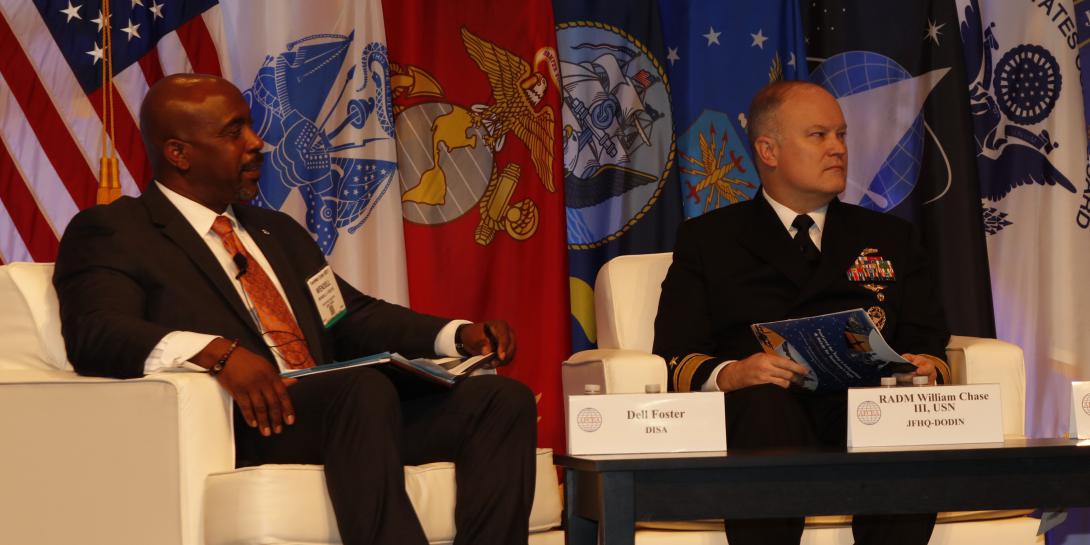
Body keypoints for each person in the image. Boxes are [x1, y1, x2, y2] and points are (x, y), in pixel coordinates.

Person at [53, 74, 536, 545]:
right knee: (361, 389)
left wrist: (455, 334)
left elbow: (349, 316)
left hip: (348, 412)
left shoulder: (276, 231)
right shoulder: (115, 230)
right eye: (233, 132)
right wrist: (216, 352)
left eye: (250, 126)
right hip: (249, 421)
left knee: (499, 401)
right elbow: (95, 333)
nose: (256, 142)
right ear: (178, 153)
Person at [653, 80, 951, 545]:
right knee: (764, 405)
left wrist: (928, 366)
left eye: (841, 135)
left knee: (901, 413)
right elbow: (674, 353)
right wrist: (732, 374)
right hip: (763, 419)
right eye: (818, 136)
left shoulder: (892, 237)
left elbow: (929, 339)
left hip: (864, 411)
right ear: (768, 150)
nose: (837, 149)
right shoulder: (709, 240)